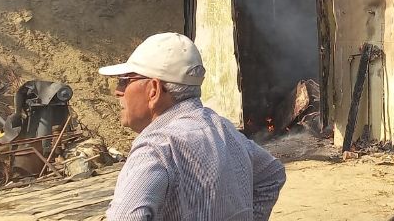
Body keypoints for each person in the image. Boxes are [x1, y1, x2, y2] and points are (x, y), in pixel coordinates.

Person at [99, 32, 286, 221]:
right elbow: (271, 174)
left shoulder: (156, 148)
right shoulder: (223, 129)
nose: (118, 91)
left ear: (154, 90)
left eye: (125, 80)